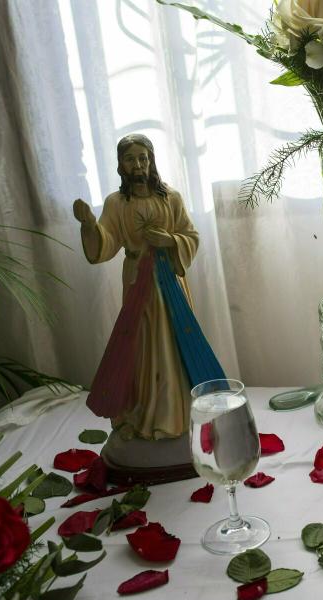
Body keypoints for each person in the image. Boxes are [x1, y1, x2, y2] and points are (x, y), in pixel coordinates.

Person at [73, 134, 224, 453]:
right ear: (121, 165)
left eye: (143, 158)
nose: (138, 164)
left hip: (170, 280)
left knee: (173, 345)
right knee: (140, 346)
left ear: (151, 161)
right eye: (131, 159)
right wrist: (89, 225)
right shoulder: (116, 203)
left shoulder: (171, 198)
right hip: (136, 280)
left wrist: (171, 241)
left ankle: (175, 416)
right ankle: (141, 413)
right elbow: (107, 243)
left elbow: (191, 235)